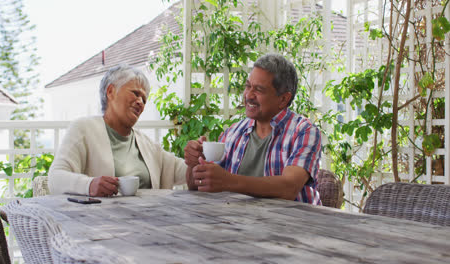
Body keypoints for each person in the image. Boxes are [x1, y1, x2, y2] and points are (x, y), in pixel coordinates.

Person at [184, 54, 322, 204]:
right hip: (238, 223)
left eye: (259, 90)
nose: (248, 95)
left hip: (293, 224)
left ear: (283, 99)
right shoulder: (233, 132)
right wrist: (195, 164)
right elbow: (197, 186)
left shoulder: (304, 132)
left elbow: (288, 188)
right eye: (248, 86)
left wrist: (227, 181)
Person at [48, 64, 187, 196]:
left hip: (147, 218)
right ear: (110, 92)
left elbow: (182, 170)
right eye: (135, 93)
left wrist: (196, 159)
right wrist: (89, 185)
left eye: (144, 99)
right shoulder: (83, 129)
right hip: (99, 219)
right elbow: (55, 178)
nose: (140, 102)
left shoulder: (147, 145)